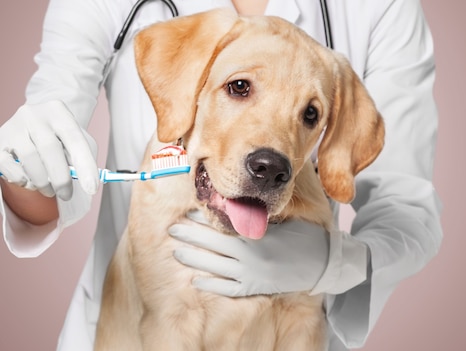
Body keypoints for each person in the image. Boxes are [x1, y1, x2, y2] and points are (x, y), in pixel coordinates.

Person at [0, 0, 442, 350]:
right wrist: (30, 161)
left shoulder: (384, 7)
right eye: (239, 87)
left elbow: (406, 209)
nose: (271, 161)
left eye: (311, 114)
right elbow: (51, 180)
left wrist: (335, 263)